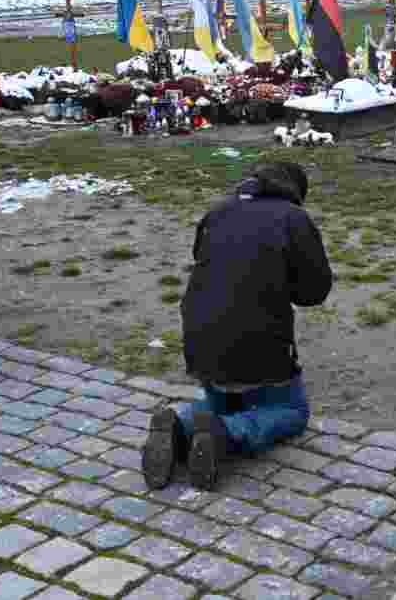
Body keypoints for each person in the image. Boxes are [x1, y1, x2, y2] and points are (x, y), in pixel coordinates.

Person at [142, 162, 333, 491]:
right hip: (258, 343)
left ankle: (178, 423)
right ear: (295, 192)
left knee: (224, 403)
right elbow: (314, 291)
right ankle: (225, 435)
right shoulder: (293, 218)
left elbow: (201, 255)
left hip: (199, 339)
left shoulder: (218, 211)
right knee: (291, 411)